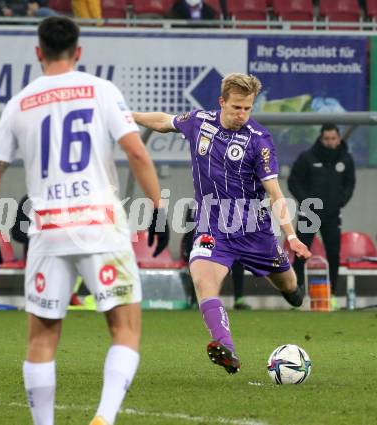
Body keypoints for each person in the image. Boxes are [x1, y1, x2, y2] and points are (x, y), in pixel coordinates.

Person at [0, 16, 169, 425]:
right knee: (125, 327)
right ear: (78, 52)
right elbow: (137, 152)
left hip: (47, 230)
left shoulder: (19, 103)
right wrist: (157, 207)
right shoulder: (101, 91)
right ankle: (104, 416)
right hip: (100, 225)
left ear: (37, 52)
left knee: (42, 337)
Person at [133, 73, 311, 375]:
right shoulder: (200, 121)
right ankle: (225, 347)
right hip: (212, 229)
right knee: (204, 282)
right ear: (222, 102)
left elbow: (275, 192)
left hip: (255, 232)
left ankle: (294, 290)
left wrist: (291, 236)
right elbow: (164, 121)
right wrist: (128, 116)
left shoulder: (259, 140)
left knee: (291, 289)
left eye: (248, 109)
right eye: (236, 107)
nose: (242, 114)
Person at [288, 123, 356, 309]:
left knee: (333, 256)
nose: (330, 142)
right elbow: (294, 182)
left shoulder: (346, 159)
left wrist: (339, 201)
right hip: (309, 213)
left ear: (339, 138)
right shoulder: (307, 157)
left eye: (333, 139)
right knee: (301, 254)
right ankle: (297, 294)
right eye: (326, 139)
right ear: (320, 138)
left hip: (332, 215)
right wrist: (306, 202)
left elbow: (350, 184)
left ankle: (331, 295)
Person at [181, 205, 251, 310]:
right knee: (199, 262)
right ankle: (195, 300)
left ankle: (239, 299)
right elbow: (189, 230)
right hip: (202, 241)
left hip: (223, 240)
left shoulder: (226, 203)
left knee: (238, 261)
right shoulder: (194, 205)